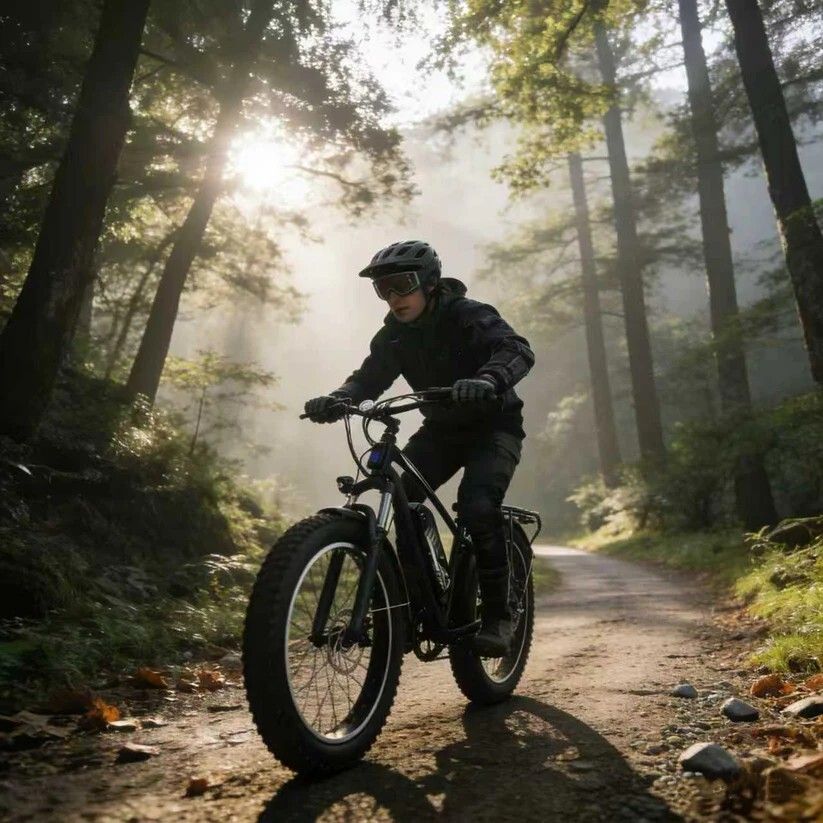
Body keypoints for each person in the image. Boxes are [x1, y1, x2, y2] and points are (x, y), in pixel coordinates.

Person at [304, 240, 535, 656]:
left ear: (429, 282)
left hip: (494, 428)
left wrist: (488, 379)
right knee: (399, 495)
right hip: (441, 431)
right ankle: (419, 601)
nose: (394, 297)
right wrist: (339, 396)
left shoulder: (469, 316)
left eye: (403, 285)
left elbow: (516, 350)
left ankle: (500, 616)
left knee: (478, 506)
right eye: (383, 289)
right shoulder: (394, 336)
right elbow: (368, 379)